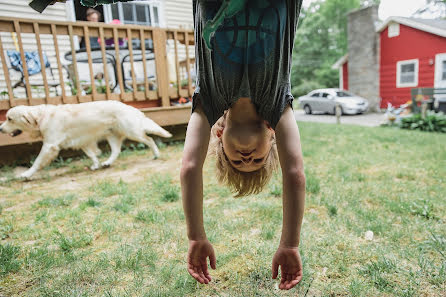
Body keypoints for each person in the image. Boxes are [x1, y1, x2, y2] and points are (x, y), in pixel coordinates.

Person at [181, 0, 305, 291]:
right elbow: (295, 173)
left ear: (219, 135)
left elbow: (189, 167)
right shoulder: (279, 108)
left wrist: (196, 237)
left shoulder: (207, 103)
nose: (246, 158)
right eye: (257, 161)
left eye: (237, 161)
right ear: (272, 136)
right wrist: (290, 244)